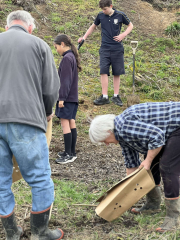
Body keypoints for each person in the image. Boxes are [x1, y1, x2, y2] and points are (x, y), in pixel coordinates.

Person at [0, 10, 64, 240]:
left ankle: (11, 233)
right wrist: (47, 112)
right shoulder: (38, 45)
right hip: (26, 119)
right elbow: (50, 86)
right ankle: (40, 232)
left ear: (7, 26)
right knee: (39, 177)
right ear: (29, 27)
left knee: (0, 181)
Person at [89, 102, 180, 232]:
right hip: (168, 130)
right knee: (149, 166)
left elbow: (157, 136)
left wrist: (147, 160)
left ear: (107, 131)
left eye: (104, 140)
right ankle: (153, 205)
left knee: (167, 167)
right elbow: (132, 165)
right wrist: (125, 191)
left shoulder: (125, 125)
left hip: (177, 124)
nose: (106, 144)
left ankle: (173, 217)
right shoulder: (121, 136)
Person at [78, 0, 133, 106]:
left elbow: (130, 25)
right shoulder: (100, 15)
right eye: (102, 9)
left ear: (111, 6)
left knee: (117, 72)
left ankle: (116, 96)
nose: (103, 11)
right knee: (103, 71)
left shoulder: (120, 15)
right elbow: (93, 26)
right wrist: (84, 37)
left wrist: (123, 35)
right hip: (104, 48)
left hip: (117, 48)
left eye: (105, 9)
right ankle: (105, 96)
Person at [54, 34, 81, 164]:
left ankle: (68, 155)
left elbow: (65, 81)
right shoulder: (72, 57)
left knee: (65, 124)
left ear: (62, 44)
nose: (56, 50)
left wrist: (61, 98)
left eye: (56, 47)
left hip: (67, 98)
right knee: (71, 122)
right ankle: (71, 152)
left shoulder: (66, 59)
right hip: (73, 97)